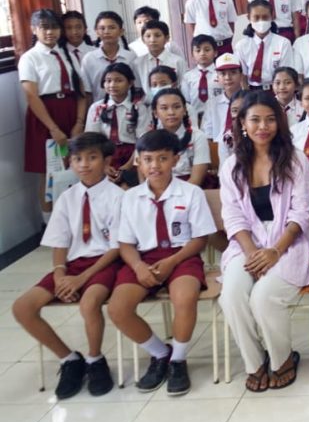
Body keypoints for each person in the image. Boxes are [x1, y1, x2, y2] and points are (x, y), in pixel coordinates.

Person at [12, 132, 123, 399]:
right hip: (72, 266)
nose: (84, 164)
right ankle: (70, 360)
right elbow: (59, 242)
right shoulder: (67, 198)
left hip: (104, 264)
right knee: (23, 307)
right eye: (77, 159)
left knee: (89, 303)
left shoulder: (117, 196)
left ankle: (95, 360)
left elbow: (117, 247)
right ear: (70, 163)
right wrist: (61, 274)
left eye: (92, 158)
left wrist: (81, 279)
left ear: (107, 161)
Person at [107, 130, 216, 395]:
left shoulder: (191, 193)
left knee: (184, 298)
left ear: (176, 160)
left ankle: (178, 359)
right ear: (138, 162)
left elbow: (200, 239)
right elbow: (125, 243)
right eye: (148, 159)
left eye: (162, 158)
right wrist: (138, 267)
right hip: (143, 259)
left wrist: (172, 262)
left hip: (182, 256)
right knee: (118, 308)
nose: (155, 165)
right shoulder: (130, 198)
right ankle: (160, 353)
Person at [219, 91, 309, 392]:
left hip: (290, 241)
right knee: (232, 295)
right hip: (247, 244)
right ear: (243, 124)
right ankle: (254, 363)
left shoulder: (296, 159)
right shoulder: (231, 165)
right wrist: (252, 254)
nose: (263, 126)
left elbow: (303, 212)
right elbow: (233, 216)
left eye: (270, 119)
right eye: (255, 119)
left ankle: (283, 359)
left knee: (264, 297)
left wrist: (274, 251)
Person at [20, 9, 88, 210]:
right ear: (34, 29)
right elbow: (31, 96)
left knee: (76, 166)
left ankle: (76, 219)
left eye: (55, 27)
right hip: (45, 116)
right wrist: (53, 129)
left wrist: (79, 123)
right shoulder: (29, 58)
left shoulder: (66, 53)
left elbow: (81, 92)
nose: (51, 32)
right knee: (49, 171)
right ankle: (49, 227)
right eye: (45, 28)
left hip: (71, 110)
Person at [85, 62, 147, 186]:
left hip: (132, 157)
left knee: (127, 189)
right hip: (104, 155)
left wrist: (126, 167)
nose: (112, 85)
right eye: (108, 81)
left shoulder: (139, 108)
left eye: (119, 80)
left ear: (130, 83)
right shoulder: (96, 107)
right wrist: (104, 165)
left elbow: (142, 141)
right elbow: (92, 141)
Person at [235, 0, 295, 89]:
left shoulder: (283, 43)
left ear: (272, 17)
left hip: (277, 90)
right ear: (249, 18)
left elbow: (285, 74)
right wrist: (247, 96)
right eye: (256, 17)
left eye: (265, 17)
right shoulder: (241, 45)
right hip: (252, 90)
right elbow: (242, 77)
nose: (261, 21)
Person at [181, 35, 220, 130]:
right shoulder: (187, 77)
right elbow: (186, 102)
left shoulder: (221, 75)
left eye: (207, 50)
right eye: (198, 50)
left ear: (215, 53)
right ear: (192, 54)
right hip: (195, 119)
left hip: (217, 117)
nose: (202, 53)